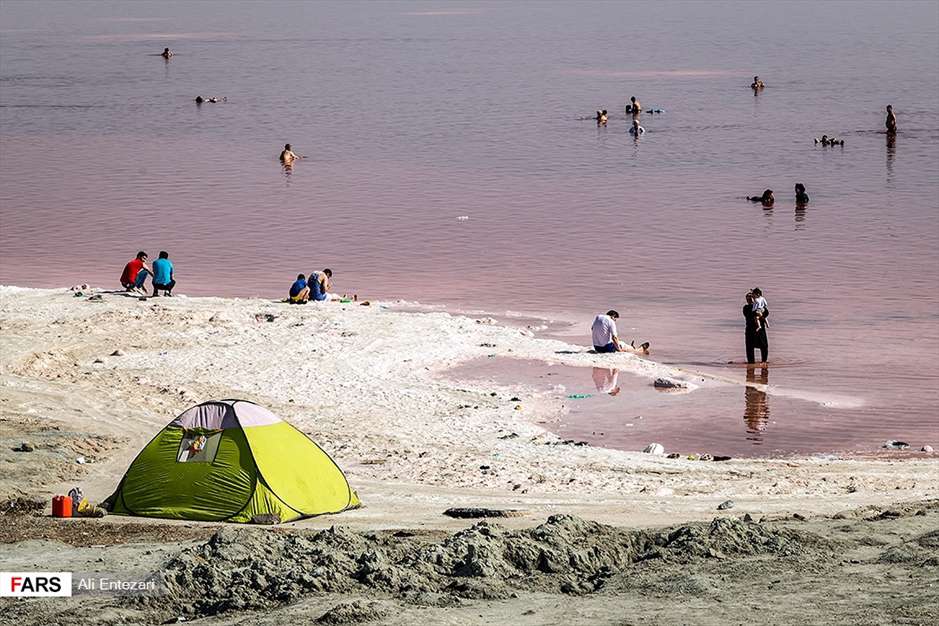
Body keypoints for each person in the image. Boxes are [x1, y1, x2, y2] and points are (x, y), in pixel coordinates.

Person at [743, 292, 769, 364]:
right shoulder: (746, 308)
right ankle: (751, 364)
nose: (749, 300)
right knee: (750, 348)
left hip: (760, 330)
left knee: (764, 346)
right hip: (750, 331)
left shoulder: (760, 306)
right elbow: (750, 313)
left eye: (751, 298)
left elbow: (766, 313)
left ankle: (764, 362)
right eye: (748, 298)